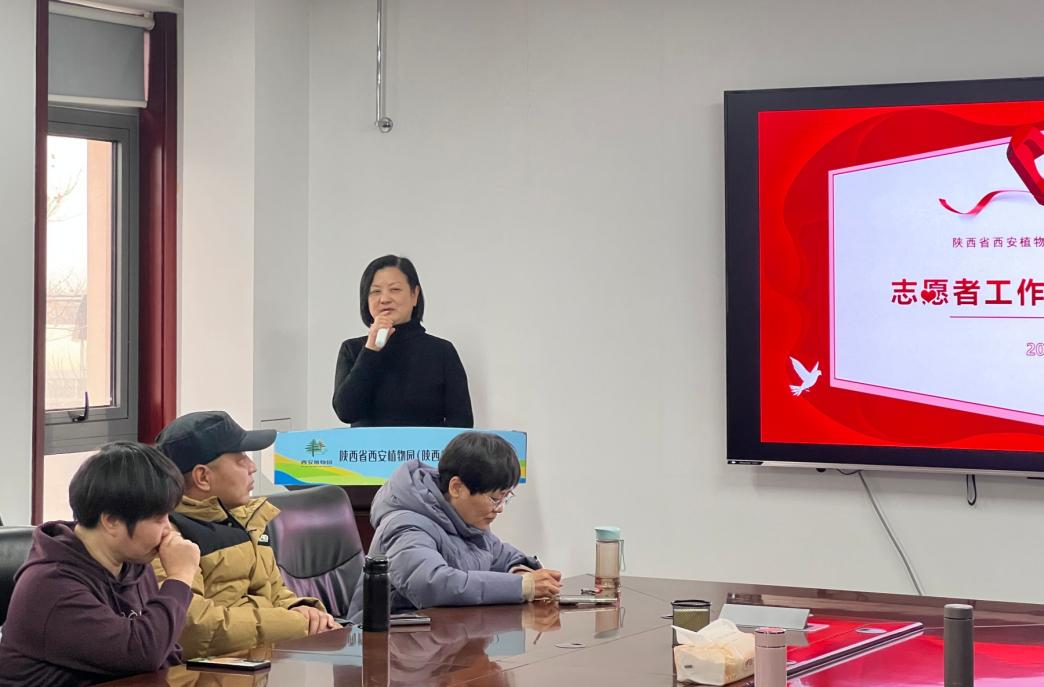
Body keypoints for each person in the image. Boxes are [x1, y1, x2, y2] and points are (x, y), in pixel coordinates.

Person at [0, 442, 200, 686]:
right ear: (111, 521)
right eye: (159, 519)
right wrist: (180, 577)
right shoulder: (50, 585)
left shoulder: (134, 564)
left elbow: (166, 655)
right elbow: (140, 654)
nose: (168, 529)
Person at [152, 411, 339, 659]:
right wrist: (296, 624)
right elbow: (195, 628)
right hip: (207, 672)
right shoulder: (170, 537)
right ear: (203, 477)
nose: (252, 467)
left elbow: (275, 592)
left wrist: (303, 609)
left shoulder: (247, 519)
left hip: (260, 661)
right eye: (240, 459)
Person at [347, 432, 561, 622]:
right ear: (457, 487)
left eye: (506, 497)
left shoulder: (464, 520)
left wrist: (521, 571)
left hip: (441, 639)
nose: (500, 509)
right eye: (495, 498)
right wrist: (521, 586)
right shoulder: (405, 525)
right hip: (385, 644)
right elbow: (432, 585)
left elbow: (501, 555)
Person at [332, 254, 474, 428]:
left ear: (415, 295)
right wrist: (370, 351)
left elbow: (462, 422)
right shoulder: (352, 349)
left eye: (395, 289)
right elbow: (346, 412)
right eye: (375, 291)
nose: (384, 299)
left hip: (426, 446)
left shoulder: (441, 351)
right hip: (369, 446)